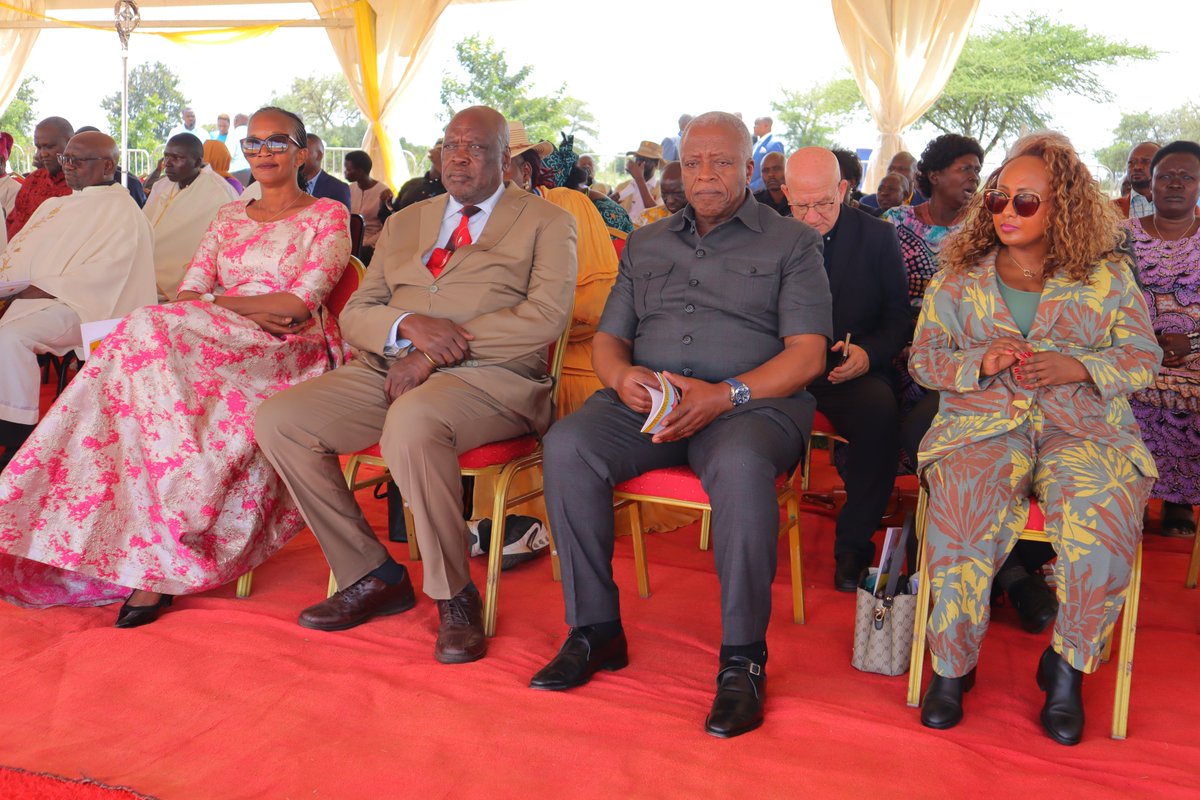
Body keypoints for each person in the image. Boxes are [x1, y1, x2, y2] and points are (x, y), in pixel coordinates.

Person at [529, 112, 832, 739]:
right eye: (693, 163)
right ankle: (596, 630)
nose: (705, 175)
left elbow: (807, 354)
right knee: (567, 446)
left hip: (752, 406)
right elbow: (610, 341)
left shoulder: (792, 242)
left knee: (743, 467)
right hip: (652, 404)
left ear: (748, 168)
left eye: (721, 162)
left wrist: (727, 393)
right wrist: (622, 381)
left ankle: (743, 660)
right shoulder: (646, 242)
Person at [0, 107, 351, 625]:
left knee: (145, 328)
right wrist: (233, 306)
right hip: (215, 332)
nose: (263, 153)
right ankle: (139, 545)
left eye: (278, 142)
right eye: (253, 144)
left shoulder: (327, 216)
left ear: (301, 151)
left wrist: (218, 304)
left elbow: (298, 306)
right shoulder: (229, 216)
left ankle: (144, 555)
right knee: (143, 357)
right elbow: (190, 291)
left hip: (285, 349)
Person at [254, 106, 577, 665]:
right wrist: (404, 329)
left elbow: (546, 317)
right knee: (280, 420)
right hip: (388, 366)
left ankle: (455, 595)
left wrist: (431, 352)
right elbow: (356, 313)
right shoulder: (407, 220)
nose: (458, 155)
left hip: (491, 379)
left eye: (475, 148)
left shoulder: (546, 222)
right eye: (449, 144)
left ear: (506, 159)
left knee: (413, 421)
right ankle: (373, 575)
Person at [910, 131, 1159, 745]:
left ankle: (1070, 666)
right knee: (967, 500)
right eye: (997, 198)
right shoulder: (958, 276)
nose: (1005, 212)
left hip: (1083, 426)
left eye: (1026, 202)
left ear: (1064, 207)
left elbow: (1142, 356)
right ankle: (952, 664)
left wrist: (1082, 367)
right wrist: (978, 361)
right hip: (982, 423)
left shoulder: (1104, 277)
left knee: (1101, 506)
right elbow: (922, 360)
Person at [782, 147, 910, 590]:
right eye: (801, 205)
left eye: (823, 204)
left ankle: (854, 545)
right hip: (780, 370)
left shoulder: (877, 237)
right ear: (785, 194)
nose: (813, 216)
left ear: (843, 189)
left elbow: (898, 317)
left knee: (880, 412)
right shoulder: (767, 235)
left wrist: (868, 355)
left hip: (847, 370)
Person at [0, 130, 156, 468]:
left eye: (77, 160)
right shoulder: (56, 205)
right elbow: (21, 251)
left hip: (86, 306)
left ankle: (16, 440)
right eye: (64, 159)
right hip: (37, 297)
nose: (67, 167)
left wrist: (38, 288)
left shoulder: (123, 210)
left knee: (11, 339)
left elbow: (109, 273)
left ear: (107, 166)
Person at [1124, 140, 1200, 537]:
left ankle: (1179, 500)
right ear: (1149, 185)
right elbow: (1098, 297)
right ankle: (1128, 494)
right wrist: (1140, 339)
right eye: (1165, 176)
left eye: (1186, 177)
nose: (1175, 184)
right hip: (1131, 347)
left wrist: (1193, 342)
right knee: (1116, 387)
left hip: (1197, 354)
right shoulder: (1120, 236)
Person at [143, 133, 239, 299]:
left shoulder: (218, 192)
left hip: (190, 281)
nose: (168, 164)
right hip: (147, 273)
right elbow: (145, 223)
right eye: (166, 157)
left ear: (197, 161)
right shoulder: (162, 185)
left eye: (177, 157)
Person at [5, 117, 73, 241]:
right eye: (39, 147)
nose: (43, 153)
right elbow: (12, 224)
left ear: (70, 143)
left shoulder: (81, 185)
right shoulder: (33, 180)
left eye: (49, 147)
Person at [344, 150, 392, 265]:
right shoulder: (349, 189)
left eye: (348, 169)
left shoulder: (383, 192)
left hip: (373, 244)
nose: (345, 172)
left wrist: (367, 243)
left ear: (360, 171)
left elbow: (387, 225)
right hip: (351, 241)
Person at [390, 138, 444, 212]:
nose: (441, 155)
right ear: (432, 153)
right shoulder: (412, 183)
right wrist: (386, 201)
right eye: (440, 150)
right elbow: (392, 214)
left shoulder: (450, 190)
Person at [860, 151, 927, 210]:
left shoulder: (926, 204)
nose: (894, 172)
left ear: (915, 174)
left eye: (901, 169)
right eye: (891, 168)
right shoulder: (867, 203)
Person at [301, 134, 351, 212]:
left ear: (319, 156)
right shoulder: (287, 184)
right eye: (296, 152)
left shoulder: (338, 188)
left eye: (304, 153)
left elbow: (342, 221)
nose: (298, 157)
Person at [613, 141, 661, 220]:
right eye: (638, 159)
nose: (639, 163)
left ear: (656, 163)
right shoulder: (622, 187)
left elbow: (655, 215)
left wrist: (639, 179)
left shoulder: (662, 189)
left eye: (644, 160)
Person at [1114, 142, 1159, 220]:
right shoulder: (1110, 209)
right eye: (1131, 162)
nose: (1137, 167)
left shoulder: (1182, 207)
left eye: (1145, 161)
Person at [634, 161, 687, 227]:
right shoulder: (646, 218)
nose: (670, 200)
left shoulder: (701, 221)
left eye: (677, 193)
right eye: (664, 193)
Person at [748, 116, 784, 193]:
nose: (754, 127)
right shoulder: (755, 145)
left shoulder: (774, 144)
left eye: (757, 124)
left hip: (764, 193)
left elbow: (775, 171)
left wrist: (752, 188)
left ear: (766, 126)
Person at [753, 151, 790, 216]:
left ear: (787, 170)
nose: (771, 174)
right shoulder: (754, 202)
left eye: (776, 169)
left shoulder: (798, 199)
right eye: (765, 170)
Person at [228, 113, 251, 186]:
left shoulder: (233, 134)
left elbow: (228, 156)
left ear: (235, 122)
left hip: (236, 174)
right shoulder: (251, 133)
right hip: (251, 171)